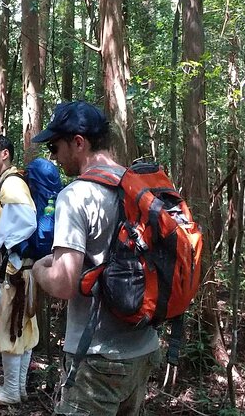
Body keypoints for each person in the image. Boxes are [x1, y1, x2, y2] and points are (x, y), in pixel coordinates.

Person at [31, 101, 160, 415]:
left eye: (54, 146)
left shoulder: (76, 195)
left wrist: (38, 269)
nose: (53, 157)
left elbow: (63, 284)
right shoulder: (139, 186)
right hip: (143, 350)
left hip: (98, 358)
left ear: (78, 142)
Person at [0, 134, 39, 406]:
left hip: (14, 270)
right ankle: (18, 388)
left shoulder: (11, 183)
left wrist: (1, 246)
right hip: (22, 269)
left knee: (9, 328)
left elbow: (26, 219)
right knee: (22, 328)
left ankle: (12, 391)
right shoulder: (9, 182)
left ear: (5, 154)